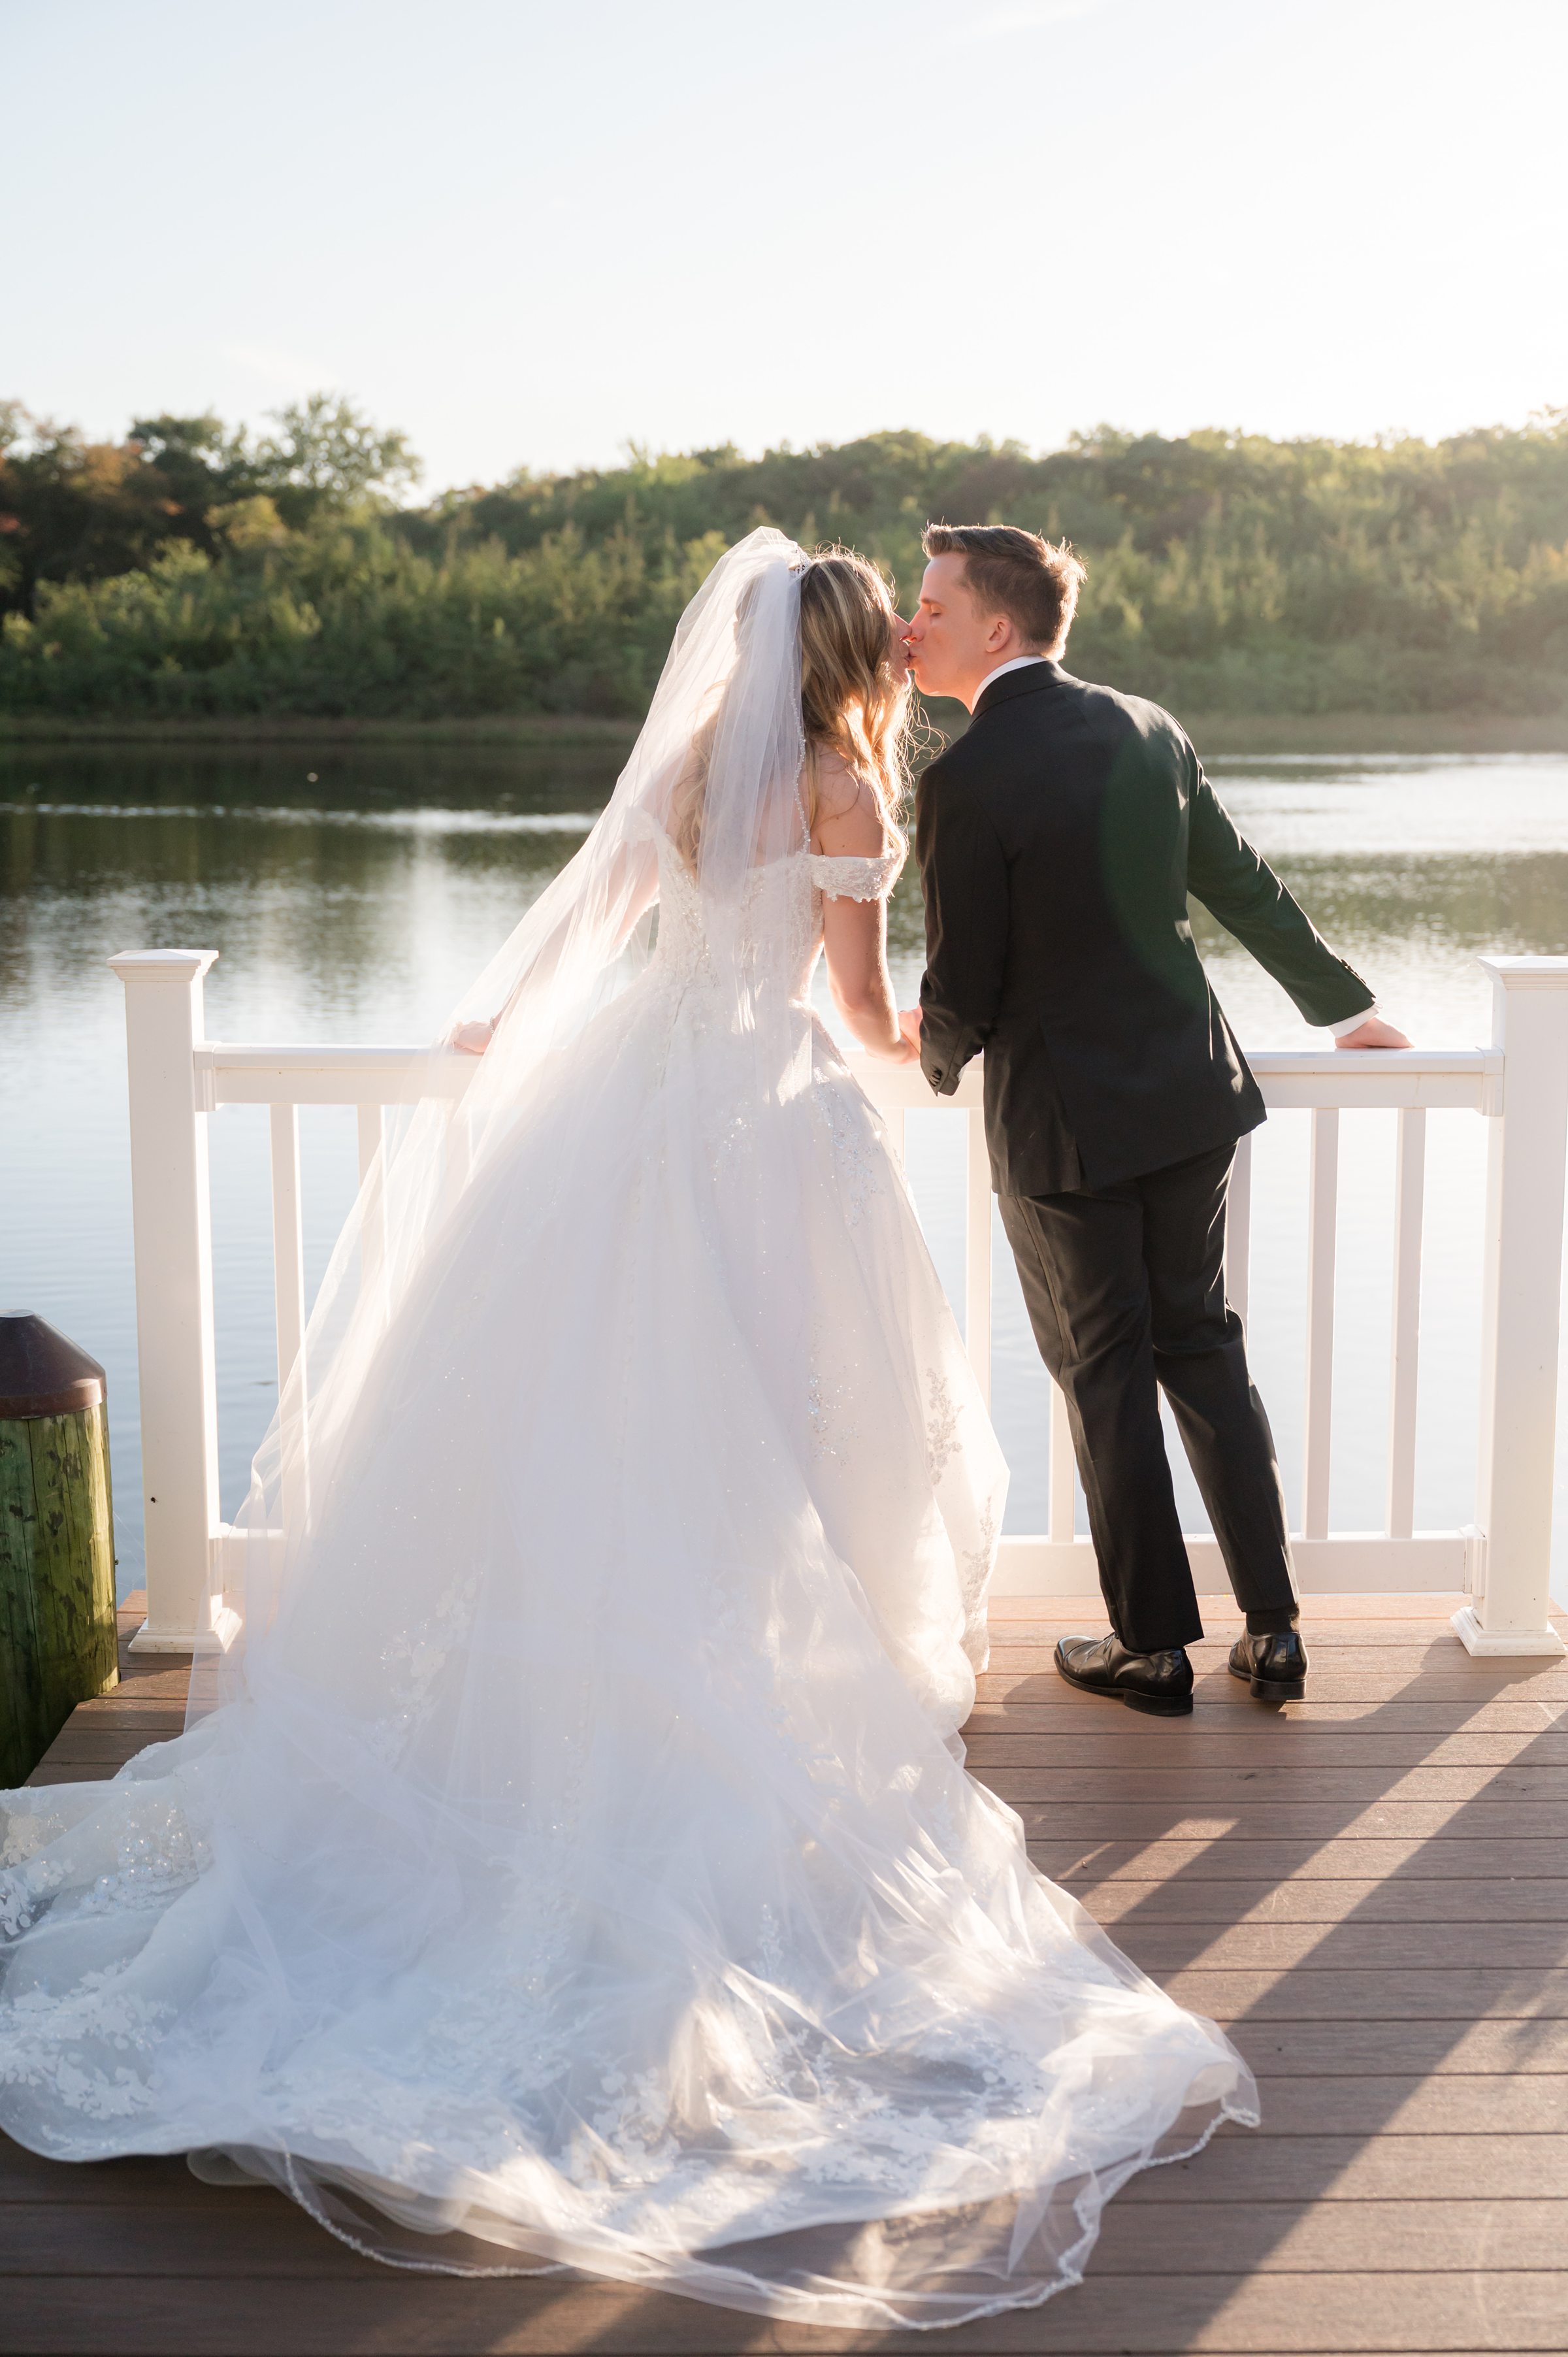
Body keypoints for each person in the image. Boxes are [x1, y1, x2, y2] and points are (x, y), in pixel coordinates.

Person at [0, 531, 1255, 2332]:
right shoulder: (842, 781)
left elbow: (592, 925)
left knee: (594, 1429)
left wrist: (497, 1021)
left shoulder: (680, 774)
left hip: (632, 1113)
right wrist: (939, 1057)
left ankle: (564, 1685)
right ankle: (766, 1677)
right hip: (770, 1125)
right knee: (788, 1426)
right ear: (850, 665)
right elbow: (852, 1009)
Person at [906, 522, 1411, 1719]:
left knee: (1103, 1374)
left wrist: (927, 1062)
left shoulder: (963, 780)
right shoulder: (1149, 727)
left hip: (1067, 1128)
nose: (909, 625)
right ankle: (1276, 1631)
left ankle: (1152, 1648)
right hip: (1191, 1096)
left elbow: (963, 979)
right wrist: (1346, 1009)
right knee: (1203, 1348)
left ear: (997, 627)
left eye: (930, 605)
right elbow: (1238, 880)